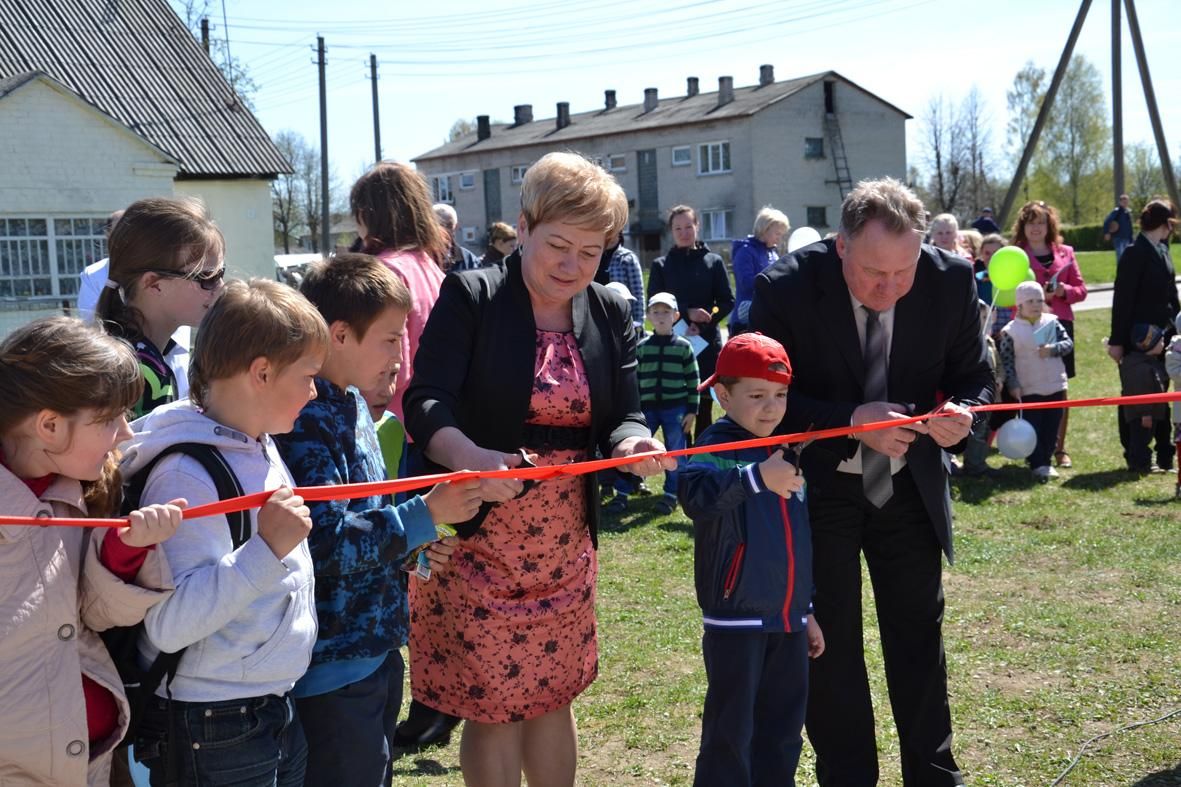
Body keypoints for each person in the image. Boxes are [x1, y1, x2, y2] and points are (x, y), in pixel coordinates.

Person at [403, 151, 673, 786]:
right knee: (492, 709)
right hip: (478, 539)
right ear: (522, 227)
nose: (572, 265)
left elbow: (623, 416)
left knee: (553, 695)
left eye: (590, 251)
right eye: (557, 245)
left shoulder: (608, 307)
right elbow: (425, 402)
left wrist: (633, 446)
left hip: (563, 544)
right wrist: (469, 459)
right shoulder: (473, 295)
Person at [750, 177, 991, 785]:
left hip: (908, 489)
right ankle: (848, 775)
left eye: (903, 273)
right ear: (840, 247)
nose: (888, 290)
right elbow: (759, 400)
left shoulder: (952, 280)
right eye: (872, 274)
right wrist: (849, 422)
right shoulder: (783, 289)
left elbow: (975, 377)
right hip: (820, 490)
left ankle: (934, 775)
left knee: (917, 635)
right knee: (830, 647)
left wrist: (962, 416)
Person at [274, 253, 475, 786]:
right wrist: (424, 513)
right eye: (390, 338)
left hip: (375, 653)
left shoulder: (355, 407)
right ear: (339, 335)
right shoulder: (303, 423)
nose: (401, 351)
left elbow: (366, 516)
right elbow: (323, 545)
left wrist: (415, 545)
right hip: (330, 669)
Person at [121, 279, 330, 785]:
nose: (314, 390)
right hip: (214, 721)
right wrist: (267, 550)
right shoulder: (185, 476)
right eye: (307, 375)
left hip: (265, 704)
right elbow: (168, 625)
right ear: (261, 372)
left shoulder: (255, 443)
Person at [0, 317, 183, 786]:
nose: (126, 434)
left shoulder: (73, 495)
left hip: (89, 762)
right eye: (109, 420)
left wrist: (125, 550)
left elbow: (89, 615)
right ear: (49, 426)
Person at [679, 332, 824, 787]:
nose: (771, 408)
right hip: (736, 620)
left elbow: (795, 538)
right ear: (723, 395)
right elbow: (696, 495)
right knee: (730, 733)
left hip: (788, 621)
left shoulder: (784, 447)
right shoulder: (713, 445)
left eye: (779, 395)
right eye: (757, 395)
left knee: (783, 732)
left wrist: (807, 609)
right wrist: (757, 477)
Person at [95, 197, 226, 418]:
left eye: (220, 274)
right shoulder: (138, 374)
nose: (221, 288)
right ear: (153, 284)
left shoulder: (140, 353)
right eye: (205, 277)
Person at [353, 162, 451, 422]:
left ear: (367, 213)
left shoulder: (384, 271)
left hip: (390, 424)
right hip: (430, 420)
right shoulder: (431, 268)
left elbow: (391, 366)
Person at [607, 292, 699, 516]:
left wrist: (692, 411)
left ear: (676, 316)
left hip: (675, 409)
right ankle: (622, 492)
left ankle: (671, 494)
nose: (661, 317)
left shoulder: (684, 347)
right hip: (646, 409)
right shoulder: (642, 346)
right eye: (655, 312)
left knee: (675, 452)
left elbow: (693, 380)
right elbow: (633, 380)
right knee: (637, 449)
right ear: (648, 316)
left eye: (666, 312)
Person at [1011, 200, 1086, 469]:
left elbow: (1082, 291)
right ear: (1023, 226)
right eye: (1030, 222)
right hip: (1026, 328)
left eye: (1041, 221)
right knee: (1031, 388)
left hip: (1060, 325)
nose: (1036, 227)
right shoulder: (1016, 254)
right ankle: (1031, 447)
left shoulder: (1066, 252)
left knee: (1059, 388)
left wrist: (1063, 291)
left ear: (1049, 225)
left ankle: (1059, 448)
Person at [649, 205, 735, 440]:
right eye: (678, 228)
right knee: (679, 400)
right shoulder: (661, 265)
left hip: (706, 343)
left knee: (705, 401)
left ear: (697, 226)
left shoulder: (713, 261)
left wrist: (707, 319)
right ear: (671, 231)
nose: (684, 232)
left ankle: (703, 452)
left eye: (688, 226)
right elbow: (654, 301)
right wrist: (687, 313)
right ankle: (682, 454)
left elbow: (726, 301)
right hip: (674, 342)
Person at [1110, 199, 1180, 472]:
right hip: (1138, 339)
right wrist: (1117, 341)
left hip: (1164, 337)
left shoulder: (1163, 250)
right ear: (1165, 224)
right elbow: (1123, 301)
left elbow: (1171, 296)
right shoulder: (1134, 253)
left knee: (1163, 396)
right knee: (1139, 398)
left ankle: (1165, 455)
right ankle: (1137, 455)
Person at [998, 281, 1073, 481]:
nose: (1036, 305)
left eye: (1039, 300)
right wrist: (1012, 384)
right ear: (1019, 305)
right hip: (1029, 388)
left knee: (1052, 426)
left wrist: (1053, 349)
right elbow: (1007, 361)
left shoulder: (1051, 322)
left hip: (1055, 384)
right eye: (1030, 301)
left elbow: (1068, 344)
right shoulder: (1010, 331)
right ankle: (1037, 462)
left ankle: (1046, 460)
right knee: (1033, 427)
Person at [1119, 323, 1170, 473]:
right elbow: (1139, 392)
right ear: (1149, 345)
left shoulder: (1147, 362)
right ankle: (1140, 464)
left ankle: (1142, 463)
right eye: (1160, 341)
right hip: (1142, 413)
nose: (1163, 343)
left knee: (1143, 438)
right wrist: (1145, 413)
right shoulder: (1140, 368)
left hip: (1148, 411)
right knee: (1140, 440)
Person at [731, 207, 789, 335]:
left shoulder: (773, 253)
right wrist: (775, 283)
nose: (780, 239)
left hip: (767, 317)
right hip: (746, 319)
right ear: (764, 230)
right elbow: (746, 283)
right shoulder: (745, 251)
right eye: (777, 234)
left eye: (782, 235)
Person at [963, 299, 1001, 477]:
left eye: (986, 316)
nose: (983, 320)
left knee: (984, 430)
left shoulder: (989, 341)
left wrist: (1001, 378)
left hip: (992, 395)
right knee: (976, 432)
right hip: (975, 396)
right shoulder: (967, 344)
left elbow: (998, 364)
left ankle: (979, 462)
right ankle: (973, 466)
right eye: (979, 317)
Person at [599, 233, 646, 332]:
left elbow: (638, 293)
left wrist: (639, 322)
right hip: (598, 317)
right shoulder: (594, 256)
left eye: (614, 231)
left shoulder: (628, 258)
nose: (609, 236)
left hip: (622, 318)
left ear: (619, 234)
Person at [433, 203, 481, 271]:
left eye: (448, 225)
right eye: (440, 225)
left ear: (455, 226)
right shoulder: (421, 260)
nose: (444, 230)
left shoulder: (469, 260)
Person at [1104, 193, 1135, 262]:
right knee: (1120, 257)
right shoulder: (1117, 211)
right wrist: (1107, 232)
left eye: (1126, 202)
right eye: (1124, 202)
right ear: (1120, 202)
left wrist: (1132, 238)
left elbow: (1130, 227)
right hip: (1119, 238)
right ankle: (1121, 272)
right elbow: (1107, 221)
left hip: (1127, 238)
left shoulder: (1128, 212)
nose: (1125, 203)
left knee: (1128, 257)